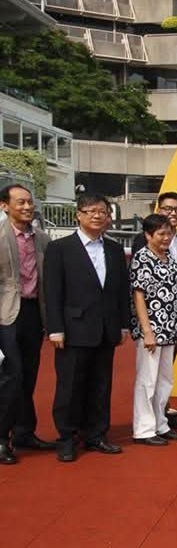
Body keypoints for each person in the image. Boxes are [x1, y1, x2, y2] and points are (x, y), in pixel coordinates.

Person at [45, 193, 130, 462]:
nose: (97, 215)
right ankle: (67, 437)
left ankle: (96, 434)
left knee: (101, 385)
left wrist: (124, 325)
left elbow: (120, 292)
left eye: (103, 211)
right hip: (73, 329)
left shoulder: (115, 250)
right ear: (78, 215)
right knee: (70, 386)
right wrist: (55, 328)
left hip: (106, 329)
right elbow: (52, 292)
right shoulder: (60, 249)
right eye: (91, 211)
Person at [0, 184, 53, 464]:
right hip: (6, 314)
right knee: (11, 375)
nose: (27, 207)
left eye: (30, 202)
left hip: (34, 312)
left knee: (29, 375)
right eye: (19, 202)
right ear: (4, 206)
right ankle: (1, 437)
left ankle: (23, 432)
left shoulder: (42, 240)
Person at [131, 191, 177, 427]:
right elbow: (138, 292)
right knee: (147, 379)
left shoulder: (176, 250)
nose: (166, 238)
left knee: (164, 379)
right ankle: (145, 428)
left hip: (171, 326)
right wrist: (146, 330)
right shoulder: (142, 254)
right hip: (152, 328)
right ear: (149, 235)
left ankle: (160, 421)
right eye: (161, 234)